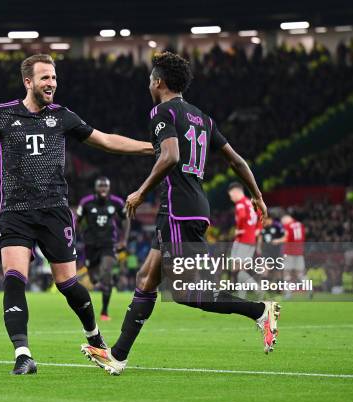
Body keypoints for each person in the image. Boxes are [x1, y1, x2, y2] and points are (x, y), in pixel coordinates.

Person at [0, 54, 153, 375]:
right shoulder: (2, 115)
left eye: (53, 77)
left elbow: (105, 140)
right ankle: (23, 354)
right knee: (14, 278)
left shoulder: (62, 117)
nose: (51, 83)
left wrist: (152, 148)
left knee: (67, 283)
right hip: (16, 213)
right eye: (44, 78)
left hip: (55, 212)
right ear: (28, 82)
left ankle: (94, 336)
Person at [81, 52, 279, 375]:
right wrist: (257, 195)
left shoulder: (162, 112)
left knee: (188, 292)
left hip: (178, 209)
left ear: (158, 82)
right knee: (146, 278)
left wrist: (140, 191)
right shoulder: (203, 118)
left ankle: (260, 310)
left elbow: (170, 155)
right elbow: (236, 160)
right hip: (192, 206)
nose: (148, 84)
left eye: (149, 79)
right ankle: (116, 356)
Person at [76, 176, 130, 321]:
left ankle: (104, 311)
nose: (103, 189)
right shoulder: (86, 202)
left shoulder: (116, 202)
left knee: (106, 272)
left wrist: (123, 240)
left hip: (109, 243)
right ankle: (98, 282)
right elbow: (77, 221)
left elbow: (125, 219)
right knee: (93, 279)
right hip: (91, 245)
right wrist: (80, 235)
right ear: (96, 188)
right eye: (100, 186)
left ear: (109, 188)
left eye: (105, 186)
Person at [227, 182, 261, 298]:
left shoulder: (240, 204)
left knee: (237, 269)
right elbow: (260, 215)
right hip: (250, 241)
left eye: (231, 195)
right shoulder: (251, 203)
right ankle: (242, 296)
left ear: (236, 192)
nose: (231, 198)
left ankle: (258, 291)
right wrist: (256, 229)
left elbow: (241, 216)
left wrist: (239, 229)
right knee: (240, 270)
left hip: (243, 240)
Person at [273, 214, 306, 298]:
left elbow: (286, 238)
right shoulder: (300, 224)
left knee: (287, 273)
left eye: (283, 222)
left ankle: (288, 293)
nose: (283, 224)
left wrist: (277, 241)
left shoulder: (288, 225)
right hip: (299, 252)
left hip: (289, 252)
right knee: (300, 273)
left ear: (286, 220)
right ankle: (309, 288)